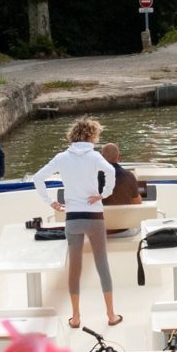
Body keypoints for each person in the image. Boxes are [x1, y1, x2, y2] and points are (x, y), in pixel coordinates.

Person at [32, 117, 117, 329]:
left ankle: (76, 317)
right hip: (94, 216)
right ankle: (111, 314)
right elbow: (111, 171)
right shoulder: (95, 156)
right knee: (102, 264)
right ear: (91, 136)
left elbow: (38, 178)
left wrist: (51, 201)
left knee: (75, 268)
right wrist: (103, 194)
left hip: (73, 217)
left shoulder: (62, 158)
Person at [100, 142, 142, 206]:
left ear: (102, 157)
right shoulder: (129, 176)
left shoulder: (94, 176)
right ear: (119, 157)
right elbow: (138, 202)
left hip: (101, 215)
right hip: (125, 215)